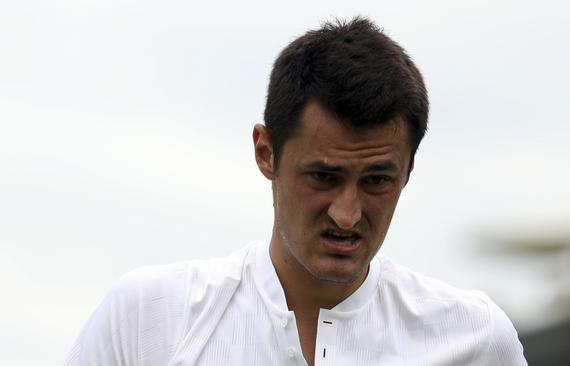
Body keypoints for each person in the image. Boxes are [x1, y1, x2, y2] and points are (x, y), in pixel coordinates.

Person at [65, 17, 527, 365]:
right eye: (323, 177)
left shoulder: (475, 338)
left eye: (376, 181)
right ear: (266, 153)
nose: (347, 214)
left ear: (408, 170)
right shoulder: (151, 316)